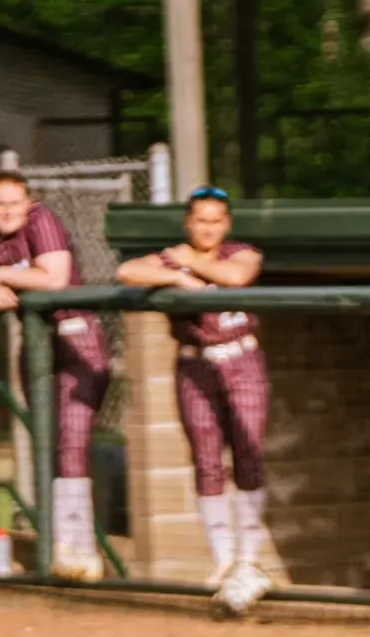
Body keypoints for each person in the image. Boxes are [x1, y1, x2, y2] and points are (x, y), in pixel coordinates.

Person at [115, 185, 271, 609]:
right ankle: (223, 559)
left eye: (215, 221)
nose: (207, 228)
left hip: (240, 358)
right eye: (200, 220)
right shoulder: (172, 258)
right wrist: (174, 275)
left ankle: (248, 558)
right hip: (194, 361)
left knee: (249, 454)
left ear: (227, 223)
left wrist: (187, 263)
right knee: (206, 459)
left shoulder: (240, 251)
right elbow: (128, 271)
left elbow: (237, 275)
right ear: (188, 222)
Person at [0, 170, 110, 582]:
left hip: (75, 339)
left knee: (71, 442)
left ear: (28, 201)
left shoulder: (41, 219)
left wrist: (3, 276)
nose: (8, 211)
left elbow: (54, 277)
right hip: (36, 346)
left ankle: (80, 550)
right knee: (48, 444)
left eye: (15, 202)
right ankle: (59, 546)